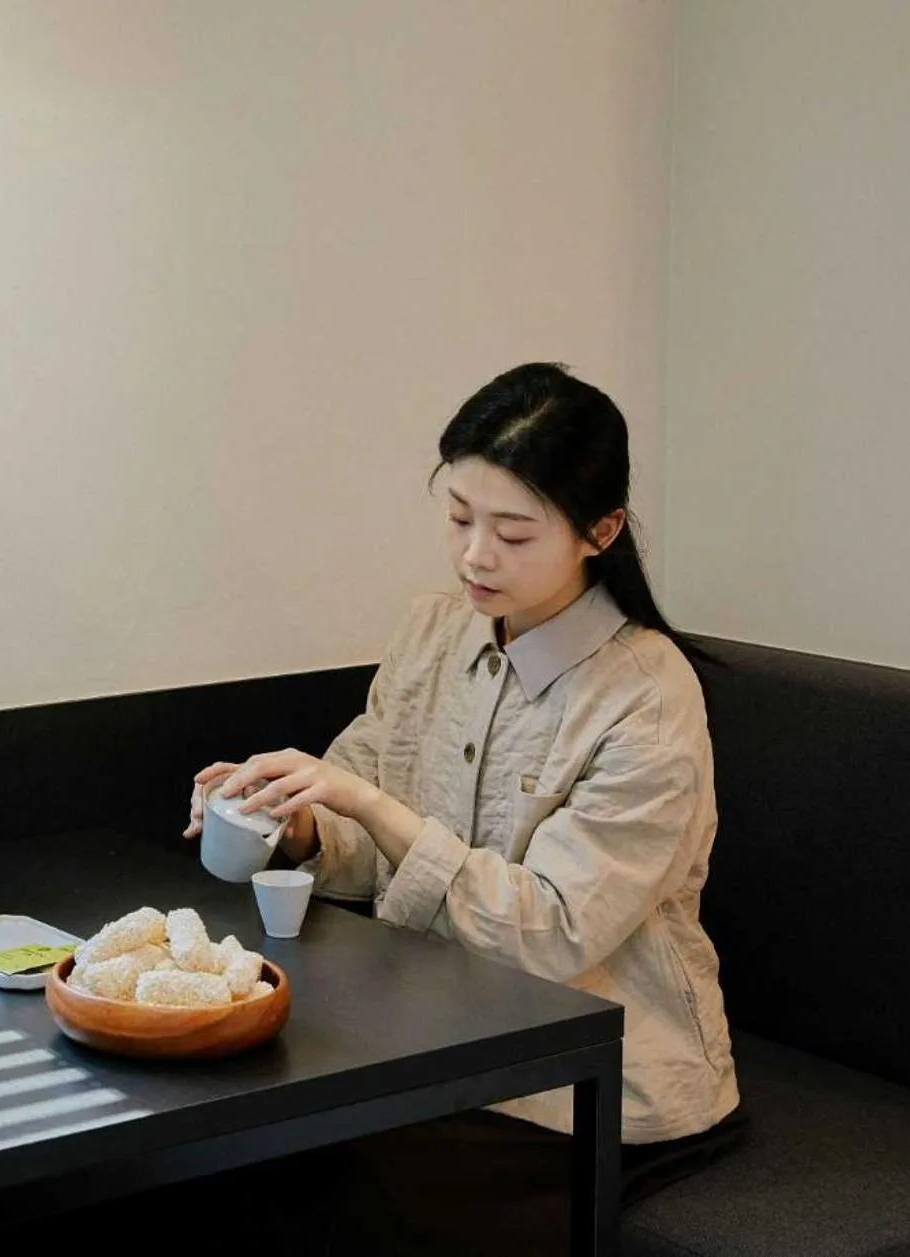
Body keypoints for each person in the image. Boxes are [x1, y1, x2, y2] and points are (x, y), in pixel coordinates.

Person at [184, 362, 744, 1254]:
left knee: (332, 1192)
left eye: (514, 533)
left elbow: (552, 932)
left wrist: (367, 802)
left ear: (600, 531)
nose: (476, 555)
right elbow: (363, 836)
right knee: (224, 1151)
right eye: (458, 518)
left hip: (595, 1088)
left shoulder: (647, 697)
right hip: (427, 1044)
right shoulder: (436, 630)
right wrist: (296, 823)